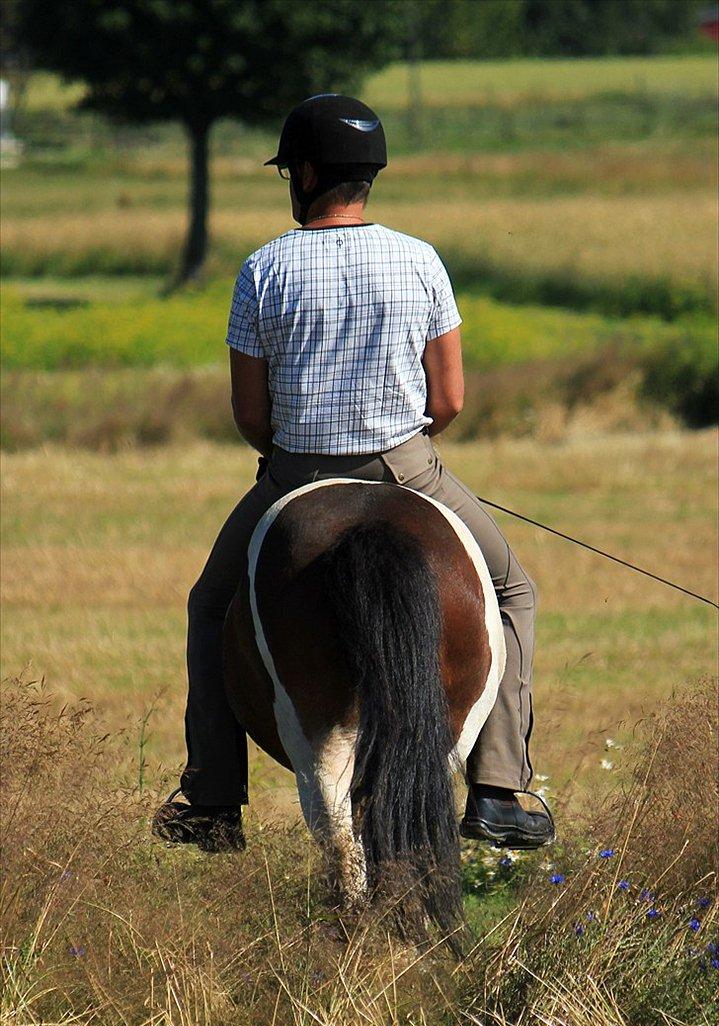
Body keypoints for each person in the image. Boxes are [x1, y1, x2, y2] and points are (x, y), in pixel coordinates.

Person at [152, 94, 554, 854]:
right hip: (407, 468)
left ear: (304, 173)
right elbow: (450, 399)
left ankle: (211, 796)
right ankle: (500, 786)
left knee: (209, 608)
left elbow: (250, 415)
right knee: (509, 590)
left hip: (293, 473)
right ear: (366, 176)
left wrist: (296, 450)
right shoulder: (419, 259)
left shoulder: (263, 268)